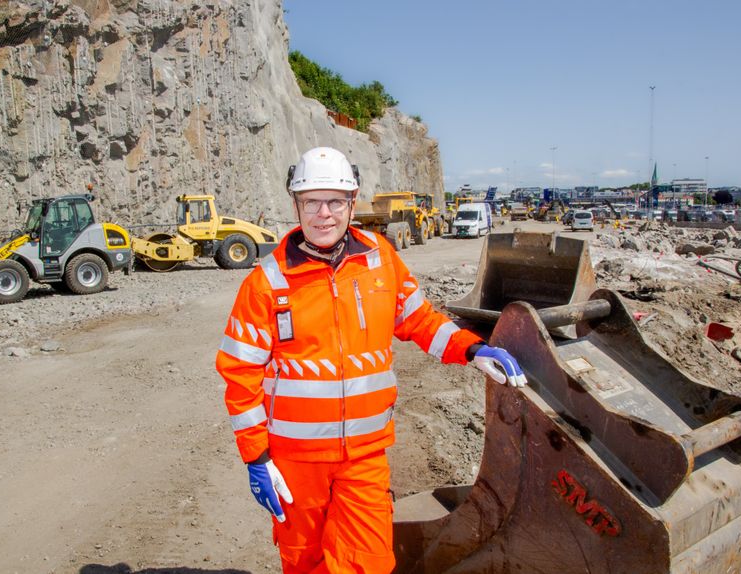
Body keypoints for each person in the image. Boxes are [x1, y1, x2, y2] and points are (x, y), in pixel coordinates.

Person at [216, 147, 526, 573]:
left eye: (335, 201)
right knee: (304, 562)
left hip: (364, 457)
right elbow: (240, 373)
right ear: (296, 205)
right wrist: (257, 458)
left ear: (353, 201)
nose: (323, 214)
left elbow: (419, 319)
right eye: (311, 202)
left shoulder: (380, 258)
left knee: (369, 562)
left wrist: (472, 349)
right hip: (295, 462)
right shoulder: (266, 282)